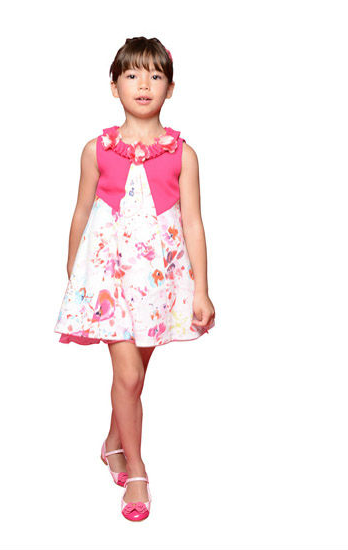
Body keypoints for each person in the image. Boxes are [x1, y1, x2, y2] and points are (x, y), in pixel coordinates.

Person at [54, 36, 216, 521]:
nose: (143, 84)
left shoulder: (183, 155)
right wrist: (75, 278)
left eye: (155, 75)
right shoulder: (96, 150)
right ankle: (138, 470)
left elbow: (193, 223)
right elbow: (81, 212)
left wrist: (202, 290)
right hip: (108, 281)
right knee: (126, 376)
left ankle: (112, 441)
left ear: (170, 88)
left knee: (135, 377)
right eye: (131, 75)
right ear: (114, 86)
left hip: (158, 283)